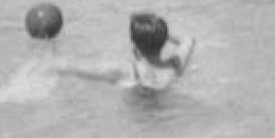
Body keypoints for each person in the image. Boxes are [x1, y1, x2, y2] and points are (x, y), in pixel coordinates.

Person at [61, 11, 195, 91]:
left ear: (133, 43)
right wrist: (160, 34)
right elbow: (188, 40)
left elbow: (81, 71)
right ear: (164, 41)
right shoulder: (175, 65)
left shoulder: (127, 71)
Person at [0, 3, 69, 104]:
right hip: (33, 98)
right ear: (60, 27)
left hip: (16, 91)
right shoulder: (55, 60)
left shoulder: (28, 54)